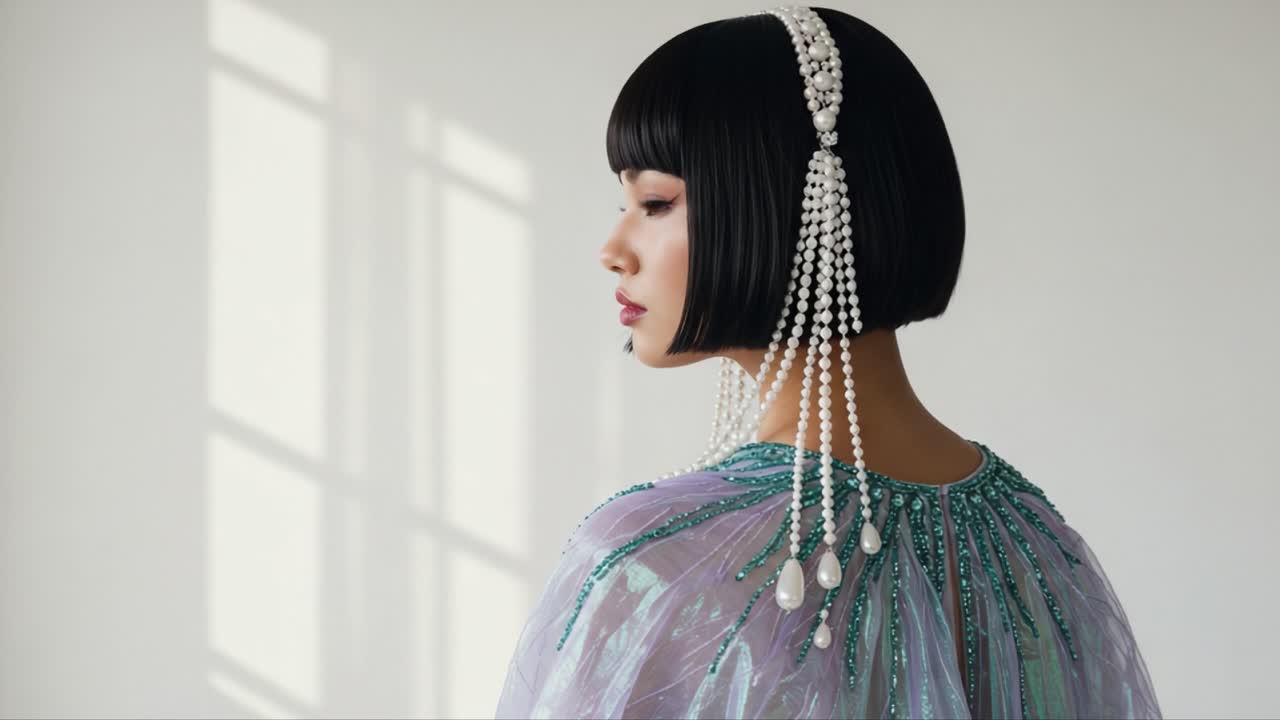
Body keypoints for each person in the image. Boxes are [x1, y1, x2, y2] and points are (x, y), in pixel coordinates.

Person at [496, 6, 1163, 718]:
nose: (613, 248)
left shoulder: (655, 565)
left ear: (798, 202)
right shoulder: (1042, 547)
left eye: (654, 202)